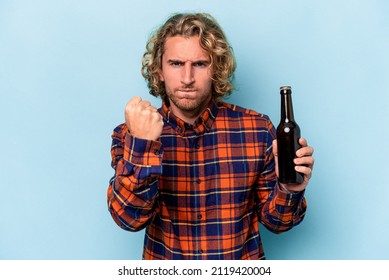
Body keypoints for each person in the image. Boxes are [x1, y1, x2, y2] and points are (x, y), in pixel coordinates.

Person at [107, 13, 314, 260]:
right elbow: (128, 219)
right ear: (159, 70)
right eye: (175, 63)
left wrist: (290, 188)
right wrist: (143, 145)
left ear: (216, 68)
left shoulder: (257, 130)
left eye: (200, 64)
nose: (187, 78)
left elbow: (278, 223)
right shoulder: (129, 134)